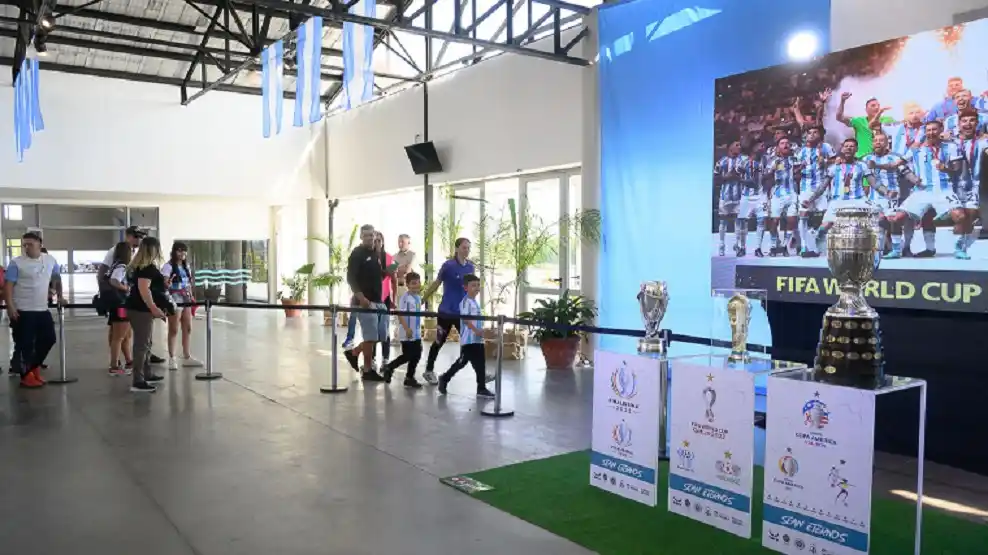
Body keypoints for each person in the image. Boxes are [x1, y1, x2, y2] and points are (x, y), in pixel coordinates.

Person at [886, 121, 964, 258]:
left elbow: (957, 171)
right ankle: (897, 250)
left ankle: (959, 249)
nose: (931, 132)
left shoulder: (951, 147)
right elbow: (895, 164)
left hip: (943, 190)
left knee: (960, 217)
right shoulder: (916, 149)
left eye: (934, 129)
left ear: (941, 130)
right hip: (921, 191)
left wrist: (945, 168)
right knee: (896, 218)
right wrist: (877, 165)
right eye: (928, 130)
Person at [98, 226, 167, 366]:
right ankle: (115, 362)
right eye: (136, 236)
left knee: (127, 333)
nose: (139, 239)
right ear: (128, 236)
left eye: (141, 236)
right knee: (119, 332)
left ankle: (130, 359)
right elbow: (104, 275)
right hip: (120, 300)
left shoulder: (136, 252)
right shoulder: (118, 252)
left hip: (128, 299)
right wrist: (109, 294)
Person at [3, 232, 64, 389]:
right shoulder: (16, 263)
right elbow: (8, 286)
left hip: (42, 308)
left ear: (40, 244)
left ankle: (32, 367)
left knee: (49, 339)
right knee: (25, 344)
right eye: (24, 244)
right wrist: (10, 306)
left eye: (30, 244)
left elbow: (56, 278)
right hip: (23, 309)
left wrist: (60, 296)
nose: (26, 247)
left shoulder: (50, 260)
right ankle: (26, 376)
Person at [803, 139, 886, 237]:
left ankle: (878, 249)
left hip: (859, 200)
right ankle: (816, 243)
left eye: (851, 146)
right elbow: (822, 187)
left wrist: (887, 192)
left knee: (880, 218)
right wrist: (810, 199)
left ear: (856, 149)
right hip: (838, 200)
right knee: (825, 226)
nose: (848, 148)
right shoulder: (833, 167)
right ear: (842, 149)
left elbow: (874, 183)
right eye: (846, 146)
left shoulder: (862, 166)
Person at [421, 237, 475, 386]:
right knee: (439, 340)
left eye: (468, 248)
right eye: (464, 247)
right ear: (457, 249)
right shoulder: (448, 266)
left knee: (469, 343)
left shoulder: (470, 267)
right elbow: (436, 283)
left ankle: (480, 375)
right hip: (446, 311)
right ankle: (429, 370)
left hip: (462, 313)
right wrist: (423, 299)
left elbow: (472, 289)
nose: (467, 250)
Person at [436, 274, 494, 399]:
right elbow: (466, 319)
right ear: (466, 287)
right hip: (469, 339)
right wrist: (476, 331)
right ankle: (445, 378)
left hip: (477, 340)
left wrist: (480, 331)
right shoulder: (465, 302)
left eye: (478, 285)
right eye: (473, 285)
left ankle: (481, 388)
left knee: (480, 363)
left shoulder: (474, 302)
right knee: (462, 362)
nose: (476, 288)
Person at [127, 237, 170, 393]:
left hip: (139, 308)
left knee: (146, 343)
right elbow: (144, 289)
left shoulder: (140, 267)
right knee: (141, 345)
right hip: (141, 310)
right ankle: (137, 380)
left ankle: (146, 373)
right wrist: (153, 308)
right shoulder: (146, 268)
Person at [343, 224, 386, 381]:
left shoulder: (375, 254)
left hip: (378, 300)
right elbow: (351, 278)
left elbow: (378, 276)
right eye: (367, 235)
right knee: (370, 337)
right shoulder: (357, 254)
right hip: (365, 302)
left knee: (378, 336)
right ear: (361, 237)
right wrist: (361, 298)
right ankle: (367, 370)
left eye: (372, 235)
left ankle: (353, 353)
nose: (370, 238)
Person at [863, 133, 911, 258]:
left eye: (881, 140)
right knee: (877, 221)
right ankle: (881, 248)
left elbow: (906, 173)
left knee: (892, 220)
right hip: (874, 196)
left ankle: (896, 249)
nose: (878, 143)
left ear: (887, 143)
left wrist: (914, 182)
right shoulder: (866, 158)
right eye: (875, 141)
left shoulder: (895, 158)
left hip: (892, 194)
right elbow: (867, 177)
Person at [795, 125, 836, 257]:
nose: (812, 135)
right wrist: (797, 170)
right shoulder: (800, 152)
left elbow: (835, 160)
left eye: (815, 132)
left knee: (821, 216)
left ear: (819, 135)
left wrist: (824, 161)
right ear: (805, 136)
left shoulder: (826, 147)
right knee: (803, 215)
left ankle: (818, 243)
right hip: (805, 187)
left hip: (822, 186)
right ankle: (803, 247)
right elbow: (795, 171)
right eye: (809, 133)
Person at [951, 108, 987, 258]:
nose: (968, 123)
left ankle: (960, 246)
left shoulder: (983, 142)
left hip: (973, 187)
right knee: (960, 217)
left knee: (971, 215)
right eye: (964, 121)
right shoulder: (950, 142)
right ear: (959, 124)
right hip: (952, 186)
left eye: (972, 120)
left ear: (977, 123)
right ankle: (957, 245)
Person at [161, 241, 202, 369]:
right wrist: (167, 283)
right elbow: (164, 283)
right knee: (174, 328)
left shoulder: (186, 266)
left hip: (186, 297)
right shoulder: (168, 266)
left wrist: (191, 295)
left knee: (188, 327)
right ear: (174, 251)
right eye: (179, 250)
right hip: (174, 297)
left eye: (184, 251)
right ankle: (172, 358)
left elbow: (188, 283)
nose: (182, 253)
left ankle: (187, 356)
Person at [381, 271, 423, 389]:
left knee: (417, 355)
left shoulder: (418, 298)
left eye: (418, 283)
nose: (416, 285)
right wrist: (406, 328)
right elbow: (400, 313)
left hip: (416, 332)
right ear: (407, 285)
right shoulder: (405, 298)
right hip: (407, 332)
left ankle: (409, 377)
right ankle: (389, 367)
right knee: (408, 355)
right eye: (413, 283)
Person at [766, 137, 799, 257]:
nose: (785, 145)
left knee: (791, 220)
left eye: (787, 143)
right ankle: (773, 246)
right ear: (778, 146)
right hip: (777, 194)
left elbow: (799, 172)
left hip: (791, 193)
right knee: (774, 221)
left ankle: (785, 246)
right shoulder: (772, 160)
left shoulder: (794, 159)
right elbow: (765, 176)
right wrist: (772, 170)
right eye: (782, 143)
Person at [836, 91, 894, 158]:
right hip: (862, 159)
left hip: (881, 160)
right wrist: (842, 101)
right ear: (866, 109)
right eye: (873, 105)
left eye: (878, 105)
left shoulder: (888, 120)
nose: (876, 107)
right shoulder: (859, 121)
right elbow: (839, 117)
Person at [714, 140, 746, 256]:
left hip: (739, 196)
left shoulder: (744, 161)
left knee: (738, 221)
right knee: (723, 221)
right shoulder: (721, 162)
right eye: (736, 145)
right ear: (730, 148)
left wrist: (738, 177)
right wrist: (725, 177)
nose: (739, 147)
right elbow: (715, 179)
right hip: (725, 196)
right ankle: (721, 245)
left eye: (740, 145)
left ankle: (737, 245)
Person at [106, 241, 134, 376]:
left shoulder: (115, 265)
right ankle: (114, 365)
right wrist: (126, 288)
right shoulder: (122, 267)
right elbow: (114, 281)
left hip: (116, 304)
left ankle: (129, 360)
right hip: (121, 304)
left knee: (125, 335)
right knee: (119, 336)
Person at [736, 140, 767, 257]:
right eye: (761, 145)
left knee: (761, 221)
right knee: (743, 222)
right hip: (746, 196)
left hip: (760, 195)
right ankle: (741, 247)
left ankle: (758, 248)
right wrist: (744, 181)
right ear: (754, 148)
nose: (763, 147)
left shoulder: (765, 160)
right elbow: (736, 175)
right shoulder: (744, 162)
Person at [375, 232, 396, 366]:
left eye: (379, 240)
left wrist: (394, 298)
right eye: (374, 240)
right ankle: (370, 359)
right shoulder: (367, 257)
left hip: (385, 297)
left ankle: (385, 358)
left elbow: (394, 279)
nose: (376, 243)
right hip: (371, 298)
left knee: (384, 329)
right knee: (372, 329)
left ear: (383, 242)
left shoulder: (389, 258)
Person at [393, 233, 416, 300]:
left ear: (408, 242)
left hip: (408, 290)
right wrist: (403, 268)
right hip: (396, 290)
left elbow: (407, 272)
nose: (400, 244)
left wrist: (398, 269)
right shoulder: (394, 256)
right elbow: (391, 273)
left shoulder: (412, 255)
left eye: (402, 242)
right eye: (399, 242)